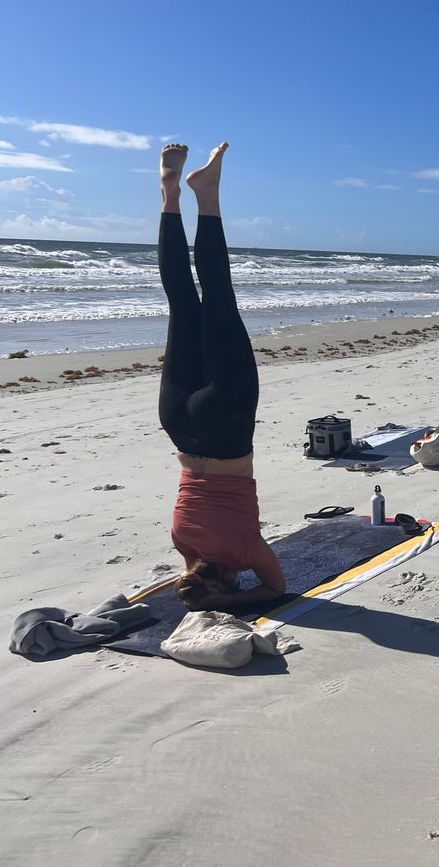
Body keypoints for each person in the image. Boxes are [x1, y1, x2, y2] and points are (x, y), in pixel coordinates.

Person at [156, 142, 287, 610]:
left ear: (231, 580)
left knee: (217, 295)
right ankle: (169, 196)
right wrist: (204, 593)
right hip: (179, 424)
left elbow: (275, 588)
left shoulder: (245, 553)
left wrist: (230, 603)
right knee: (181, 300)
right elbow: (195, 571)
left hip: (227, 426)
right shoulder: (182, 542)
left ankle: (207, 197)